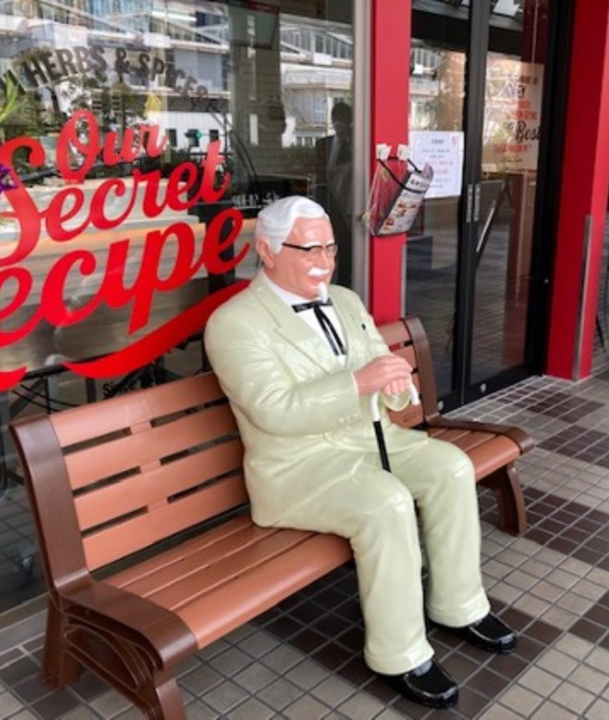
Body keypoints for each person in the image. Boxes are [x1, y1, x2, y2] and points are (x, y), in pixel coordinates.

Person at [204, 196, 517, 709]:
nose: (324, 262)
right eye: (309, 249)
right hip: (298, 467)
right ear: (266, 250)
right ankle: (401, 652)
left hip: (373, 441)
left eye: (330, 248)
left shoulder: (345, 300)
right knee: (386, 503)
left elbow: (379, 363)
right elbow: (274, 411)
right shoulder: (235, 323)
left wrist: (396, 385)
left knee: (451, 467)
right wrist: (357, 383)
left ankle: (459, 605)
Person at [315, 101, 354, 287]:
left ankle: (345, 280)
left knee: (345, 242)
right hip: (325, 199)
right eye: (336, 118)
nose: (339, 122)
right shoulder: (323, 144)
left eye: (343, 119)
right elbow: (315, 169)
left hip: (346, 201)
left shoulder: (356, 145)